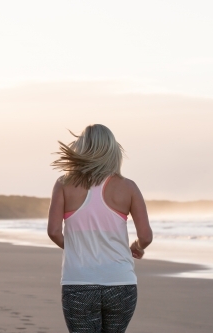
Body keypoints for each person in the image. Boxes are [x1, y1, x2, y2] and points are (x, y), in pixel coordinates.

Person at [47, 124, 153, 333]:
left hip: (78, 283)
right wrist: (137, 246)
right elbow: (146, 236)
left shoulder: (63, 184)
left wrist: (76, 248)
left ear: (81, 148)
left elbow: (54, 232)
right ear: (113, 150)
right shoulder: (128, 187)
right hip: (120, 283)